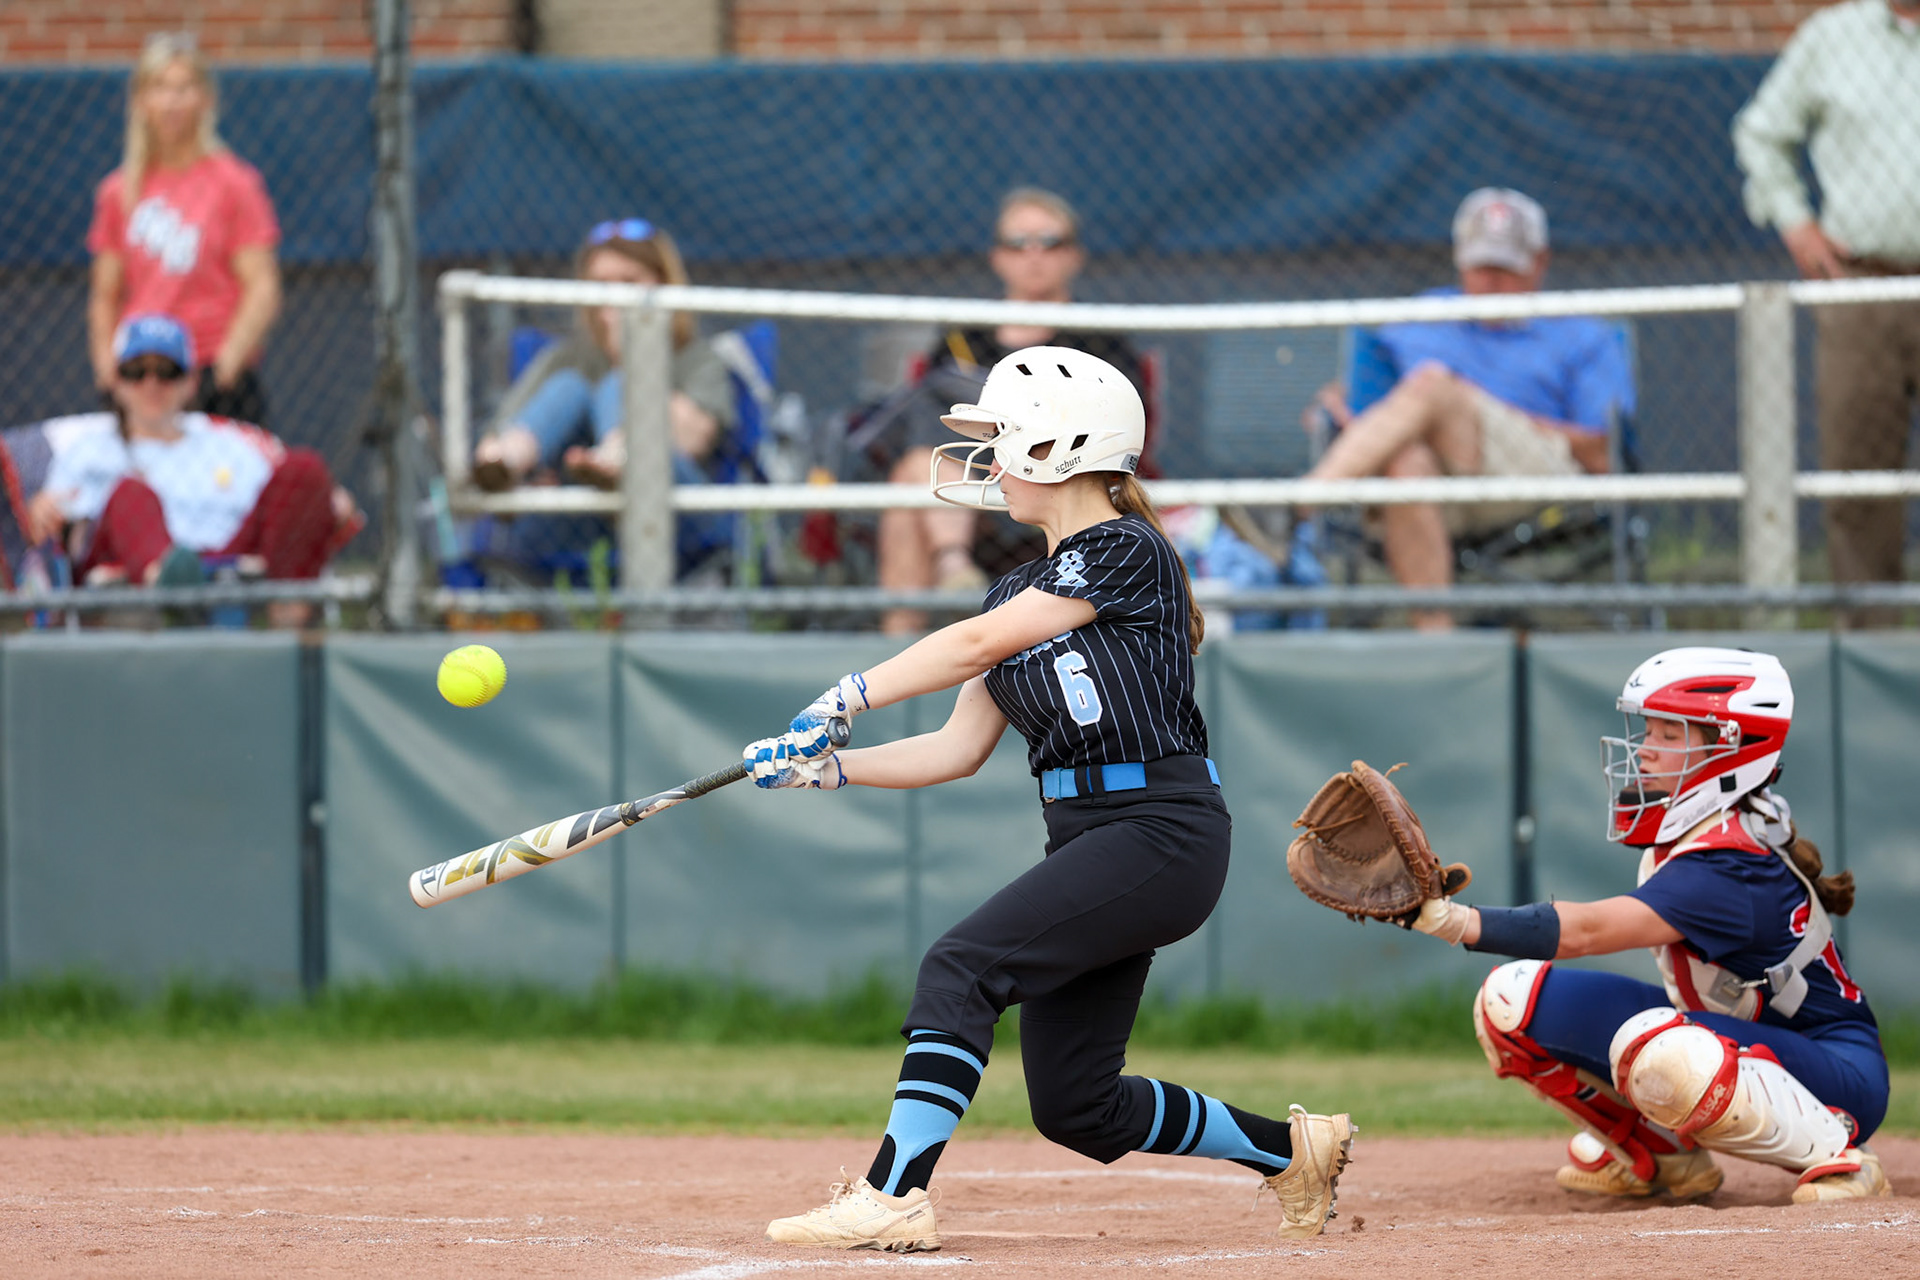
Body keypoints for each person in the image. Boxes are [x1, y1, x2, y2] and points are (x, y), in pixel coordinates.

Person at [739, 347, 1355, 1251]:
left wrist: (842, 699)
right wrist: (830, 768)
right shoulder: (1018, 586)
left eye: (1001, 439)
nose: (986, 460)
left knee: (961, 967)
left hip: (1161, 829)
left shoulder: (1126, 550)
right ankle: (1289, 1150)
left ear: (1062, 448)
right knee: (1078, 1107)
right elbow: (956, 749)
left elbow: (973, 642)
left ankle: (895, 1192)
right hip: (1090, 841)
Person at [1407, 647, 1891, 1204]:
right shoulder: (1712, 828)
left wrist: (1456, 922)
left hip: (1840, 1073)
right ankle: (1664, 1157)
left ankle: (1840, 1158)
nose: (1644, 751)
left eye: (1668, 734)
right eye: (1650, 731)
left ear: (1730, 747)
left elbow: (1586, 932)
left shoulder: (1729, 865)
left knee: (1660, 1050)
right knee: (1510, 1001)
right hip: (1761, 1041)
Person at [1302, 188, 1635, 631]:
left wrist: (1478, 408)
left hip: (1536, 481)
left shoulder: (1582, 333)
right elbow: (1370, 394)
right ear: (1460, 261)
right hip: (1439, 485)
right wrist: (1345, 407)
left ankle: (1296, 509)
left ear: (1539, 263)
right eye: (1481, 267)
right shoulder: (1417, 317)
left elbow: (1601, 452)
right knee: (1406, 460)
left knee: (1435, 386)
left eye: (1506, 268)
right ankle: (1442, 651)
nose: (1491, 282)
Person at [875, 188, 1146, 634]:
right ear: (998, 257)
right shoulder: (967, 332)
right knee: (912, 475)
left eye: (1049, 242)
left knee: (917, 480)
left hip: (1061, 472)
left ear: (1074, 256)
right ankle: (918, 622)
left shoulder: (1099, 337)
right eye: (1018, 243)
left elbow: (1125, 421)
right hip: (976, 472)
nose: (1033, 255)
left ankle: (949, 574)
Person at [1733, 0, 1920, 616]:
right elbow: (1760, 133)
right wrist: (1796, 223)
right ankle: (1871, 650)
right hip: (1862, 283)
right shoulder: (1833, 37)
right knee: (1859, 475)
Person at [26, 314, 359, 621]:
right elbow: (68, 537)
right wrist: (43, 513)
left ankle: (289, 627)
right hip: (134, 577)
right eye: (136, 372)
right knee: (131, 492)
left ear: (191, 382)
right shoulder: (88, 448)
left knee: (304, 468)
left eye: (167, 372)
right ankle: (175, 598)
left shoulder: (230, 442)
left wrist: (321, 500)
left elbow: (276, 510)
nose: (151, 384)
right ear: (116, 381)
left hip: (230, 566)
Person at [468, 218, 740, 579]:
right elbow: (498, 428)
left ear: (662, 283)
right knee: (570, 387)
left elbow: (692, 442)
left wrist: (632, 360)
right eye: (602, 286)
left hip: (672, 514)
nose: (615, 298)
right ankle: (510, 469)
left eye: (629, 283)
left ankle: (617, 456)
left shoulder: (696, 358)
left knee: (618, 383)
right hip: (581, 517)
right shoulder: (567, 357)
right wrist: (521, 469)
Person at [87, 33, 282, 428]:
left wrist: (227, 364)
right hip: (144, 373)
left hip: (211, 369)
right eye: (160, 88)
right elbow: (104, 294)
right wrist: (109, 368)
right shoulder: (119, 191)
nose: (172, 101)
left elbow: (262, 287)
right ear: (141, 102)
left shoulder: (234, 183)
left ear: (206, 99)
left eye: (184, 88)